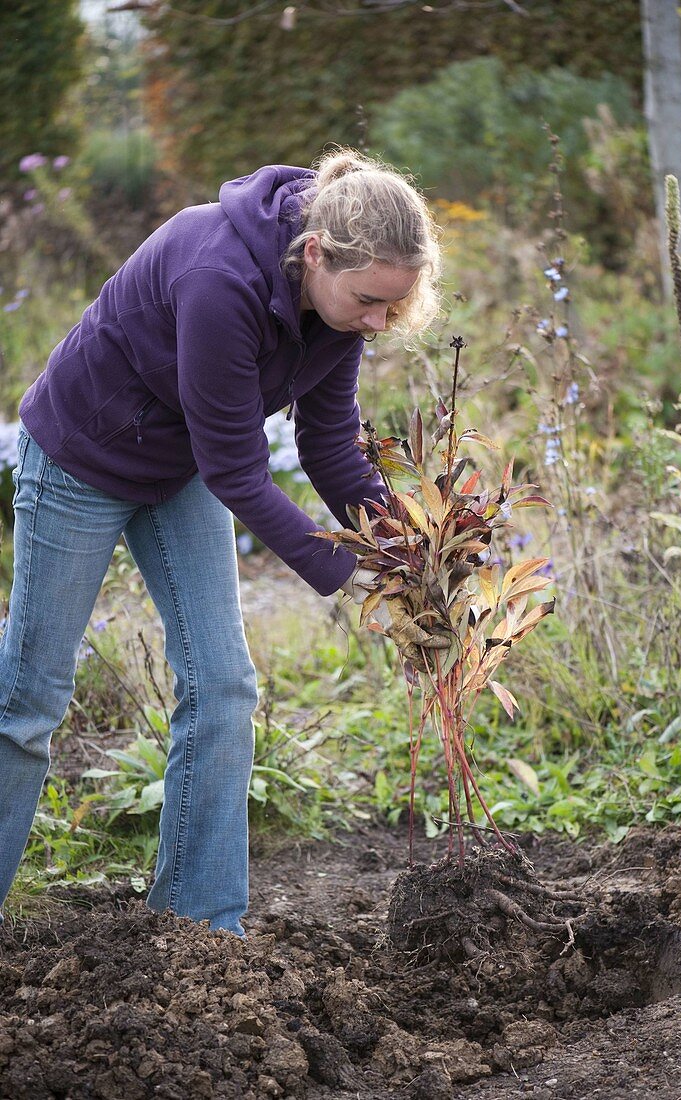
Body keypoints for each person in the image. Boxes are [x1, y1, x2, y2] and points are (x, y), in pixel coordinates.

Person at [0, 148, 442, 937]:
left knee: (224, 686)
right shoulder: (218, 276)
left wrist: (413, 557)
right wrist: (348, 578)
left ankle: (199, 929)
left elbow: (331, 449)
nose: (380, 323)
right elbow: (239, 473)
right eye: (371, 302)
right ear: (316, 255)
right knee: (31, 698)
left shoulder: (340, 305)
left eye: (393, 307)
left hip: (179, 466)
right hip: (82, 455)